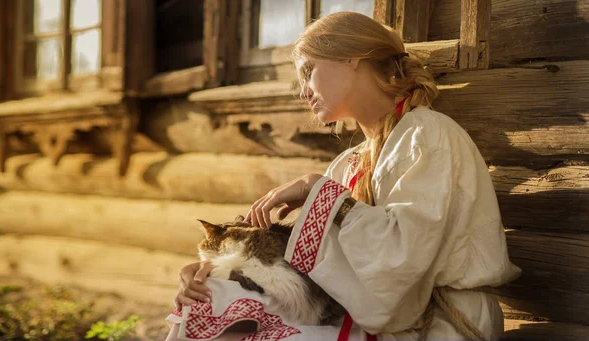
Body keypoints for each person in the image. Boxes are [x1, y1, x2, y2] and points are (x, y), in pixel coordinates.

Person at [166, 11, 521, 341]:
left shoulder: (427, 135)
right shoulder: (349, 163)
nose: (303, 91)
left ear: (351, 57)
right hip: (382, 324)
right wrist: (210, 274)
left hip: (439, 327)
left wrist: (316, 190)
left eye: (308, 71)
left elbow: (401, 264)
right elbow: (322, 277)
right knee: (209, 311)